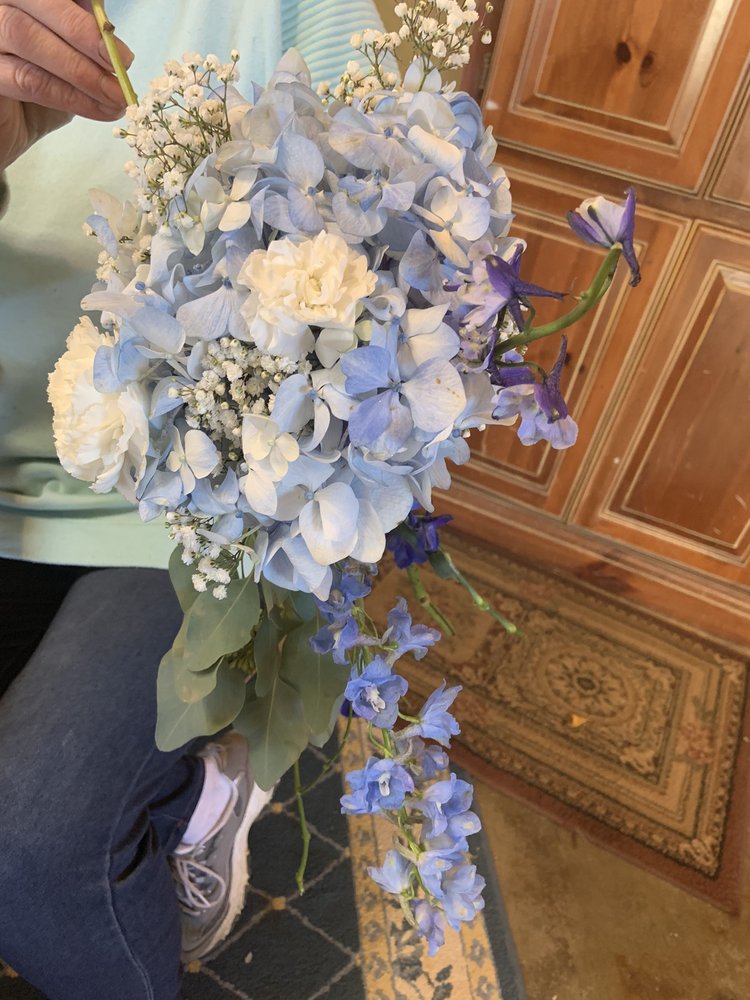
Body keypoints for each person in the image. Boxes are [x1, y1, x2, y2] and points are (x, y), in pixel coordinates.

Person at [0, 2, 388, 997]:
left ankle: (203, 786)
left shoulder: (309, 15)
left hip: (179, 511)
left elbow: (377, 282)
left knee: (34, 844)